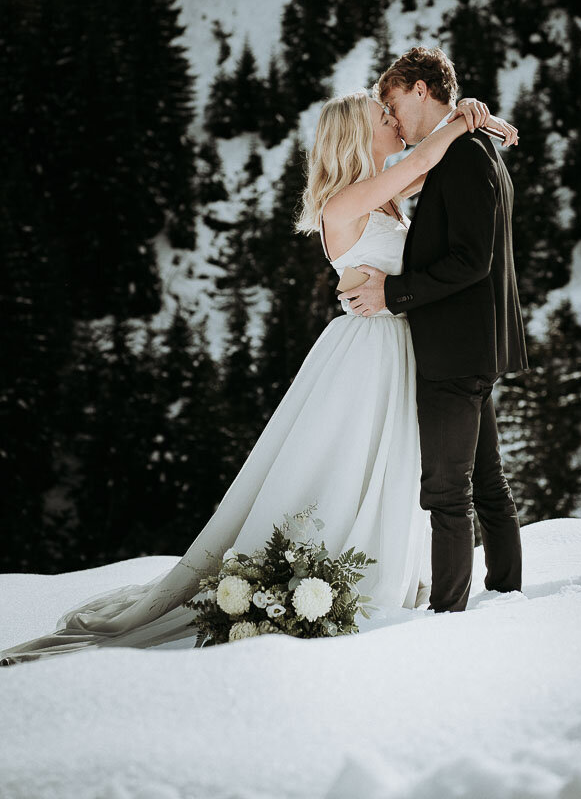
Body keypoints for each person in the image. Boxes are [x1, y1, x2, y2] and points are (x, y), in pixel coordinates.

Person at [0, 82, 517, 665]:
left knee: (393, 467)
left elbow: (437, 167)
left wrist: (472, 119)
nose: (394, 119)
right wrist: (463, 120)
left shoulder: (387, 195)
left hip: (405, 344)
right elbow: (427, 156)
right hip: (369, 352)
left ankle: (386, 570)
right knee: (349, 467)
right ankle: (328, 579)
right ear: (357, 134)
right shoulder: (345, 203)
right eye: (382, 114)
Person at [338, 46, 529, 613]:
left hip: (455, 348)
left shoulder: (465, 155)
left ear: (421, 90)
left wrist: (392, 293)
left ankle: (449, 614)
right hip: (471, 344)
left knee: (448, 492)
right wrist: (473, 114)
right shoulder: (466, 148)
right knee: (488, 481)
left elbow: (472, 259)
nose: (391, 117)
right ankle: (507, 594)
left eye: (393, 102)